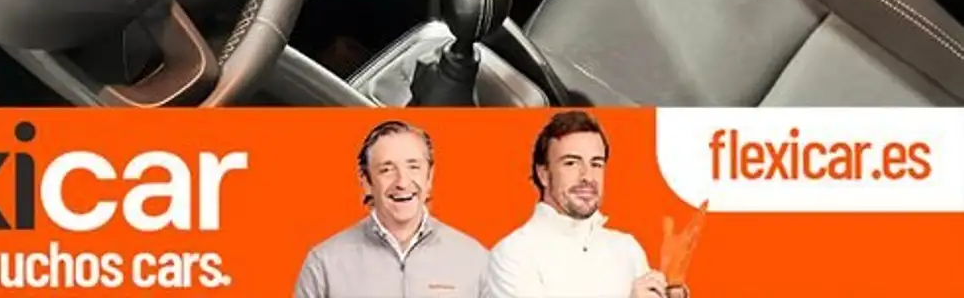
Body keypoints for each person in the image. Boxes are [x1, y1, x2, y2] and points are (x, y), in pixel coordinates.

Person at [485, 111, 685, 298]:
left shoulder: (627, 248)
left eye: (596, 164)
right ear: (543, 174)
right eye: (571, 163)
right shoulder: (512, 255)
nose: (588, 176)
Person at [294, 119, 489, 297]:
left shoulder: (475, 259)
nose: (402, 182)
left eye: (413, 167)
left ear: (429, 177)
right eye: (386, 169)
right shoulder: (324, 264)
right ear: (366, 181)